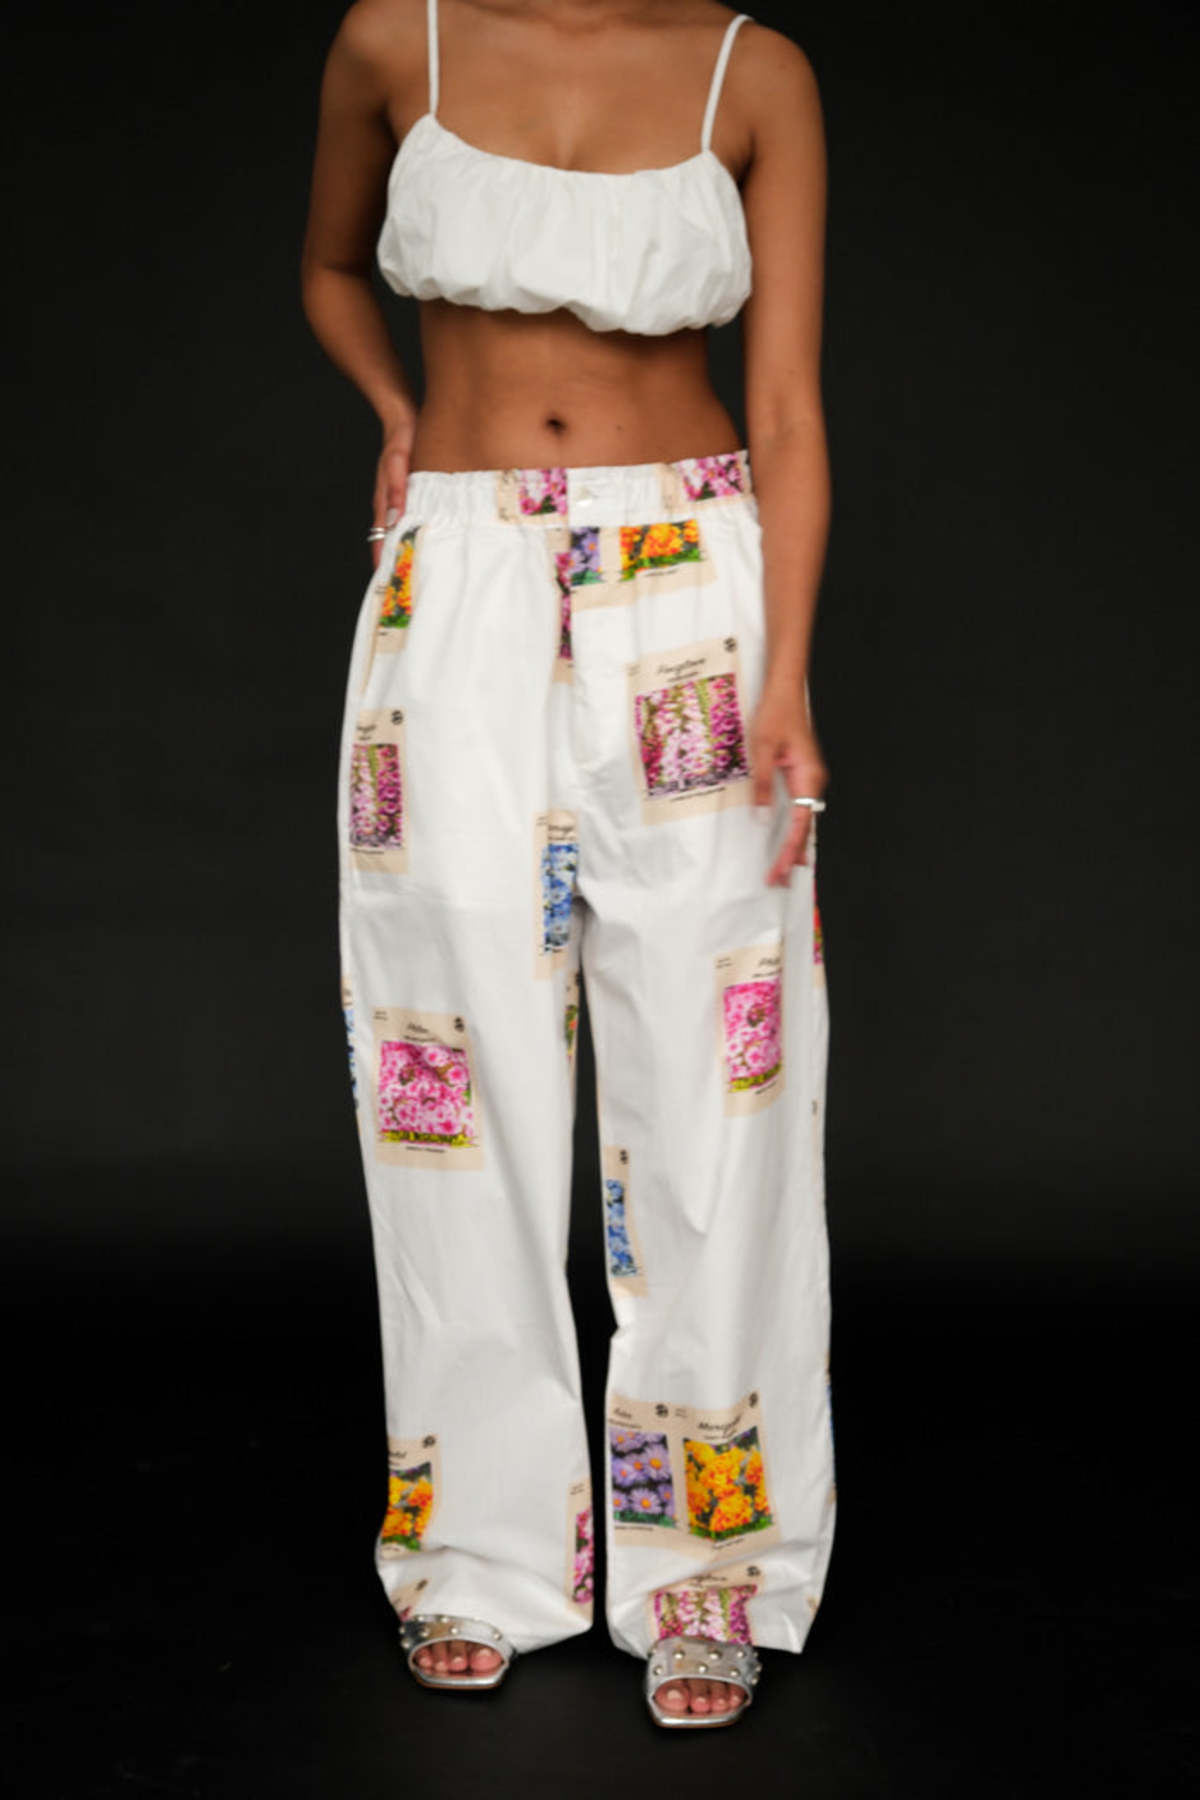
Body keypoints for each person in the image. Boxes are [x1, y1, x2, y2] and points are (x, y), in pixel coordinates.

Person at [300, 0, 833, 1730]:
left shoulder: (755, 72)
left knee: (713, 1087)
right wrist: (398, 409)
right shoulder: (397, 40)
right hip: (458, 578)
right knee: (449, 1076)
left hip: (692, 585)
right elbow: (328, 268)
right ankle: (479, 1553)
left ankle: (709, 1571)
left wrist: (786, 673)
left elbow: (787, 408)